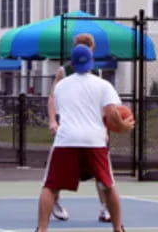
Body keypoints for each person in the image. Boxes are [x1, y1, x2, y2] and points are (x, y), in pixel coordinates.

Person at [36, 45, 134, 232]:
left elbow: (58, 107)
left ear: (71, 63)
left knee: (50, 186)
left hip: (66, 139)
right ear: (92, 62)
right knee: (108, 185)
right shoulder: (103, 85)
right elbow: (112, 114)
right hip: (94, 140)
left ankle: (41, 229)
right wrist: (123, 127)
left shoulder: (61, 86)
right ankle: (118, 229)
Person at [47, 33, 112, 222]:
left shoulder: (98, 74)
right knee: (60, 172)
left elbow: (104, 105)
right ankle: (55, 202)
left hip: (93, 131)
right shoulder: (64, 71)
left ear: (92, 50)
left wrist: (106, 129)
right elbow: (52, 97)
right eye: (80, 46)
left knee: (101, 173)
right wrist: (53, 120)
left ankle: (104, 207)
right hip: (69, 129)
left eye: (87, 46)